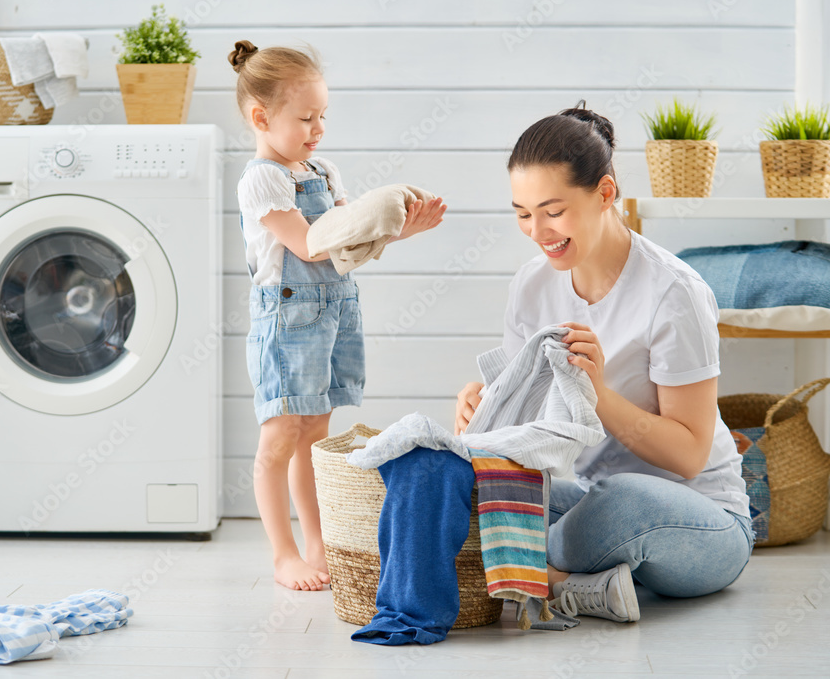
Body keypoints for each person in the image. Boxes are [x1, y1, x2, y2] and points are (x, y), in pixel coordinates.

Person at [455, 104, 753, 622]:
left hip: (702, 518)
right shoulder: (532, 285)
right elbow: (531, 431)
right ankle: (579, 584)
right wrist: (486, 415)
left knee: (620, 501)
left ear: (606, 193)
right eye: (523, 213)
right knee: (462, 488)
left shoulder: (674, 293)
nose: (538, 230)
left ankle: (537, 566)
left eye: (553, 210)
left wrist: (599, 396)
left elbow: (688, 455)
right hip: (591, 502)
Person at [229, 40, 446, 591]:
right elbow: (309, 245)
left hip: (334, 312)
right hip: (288, 320)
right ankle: (283, 555)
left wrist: (397, 229)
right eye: (305, 117)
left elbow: (350, 248)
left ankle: (318, 541)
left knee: (317, 437)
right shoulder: (263, 179)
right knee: (279, 438)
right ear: (260, 117)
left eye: (322, 115)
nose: (317, 128)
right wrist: (375, 222)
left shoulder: (323, 170)